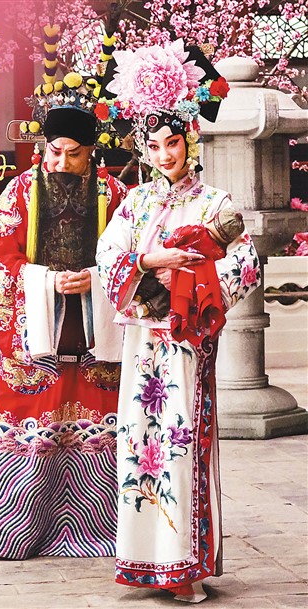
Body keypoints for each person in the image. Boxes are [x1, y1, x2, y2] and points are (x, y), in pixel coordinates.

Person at [96, 40, 261, 602]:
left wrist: (187, 287)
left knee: (180, 445)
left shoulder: (216, 204)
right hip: (142, 344)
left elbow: (245, 263)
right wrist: (150, 263)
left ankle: (184, 567)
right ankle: (143, 563)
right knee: (138, 445)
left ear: (190, 141)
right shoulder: (135, 203)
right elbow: (108, 257)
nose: (164, 154)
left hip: (187, 342)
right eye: (154, 144)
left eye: (173, 142)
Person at [0, 69, 128, 560]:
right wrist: (44, 282)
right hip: (37, 335)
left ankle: (101, 530)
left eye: (72, 153)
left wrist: (98, 278)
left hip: (96, 336)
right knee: (32, 418)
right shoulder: (19, 191)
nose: (60, 161)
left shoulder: (115, 196)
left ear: (91, 152)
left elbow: (132, 255)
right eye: (53, 151)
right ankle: (12, 534)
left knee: (100, 421)